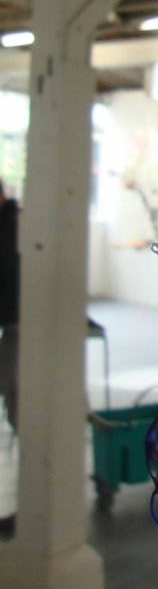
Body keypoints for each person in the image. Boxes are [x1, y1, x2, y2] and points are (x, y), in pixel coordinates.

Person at [0, 178, 19, 432]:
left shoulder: (14, 226)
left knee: (12, 378)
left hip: (17, 317)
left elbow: (12, 277)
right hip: (10, 317)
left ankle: (23, 429)